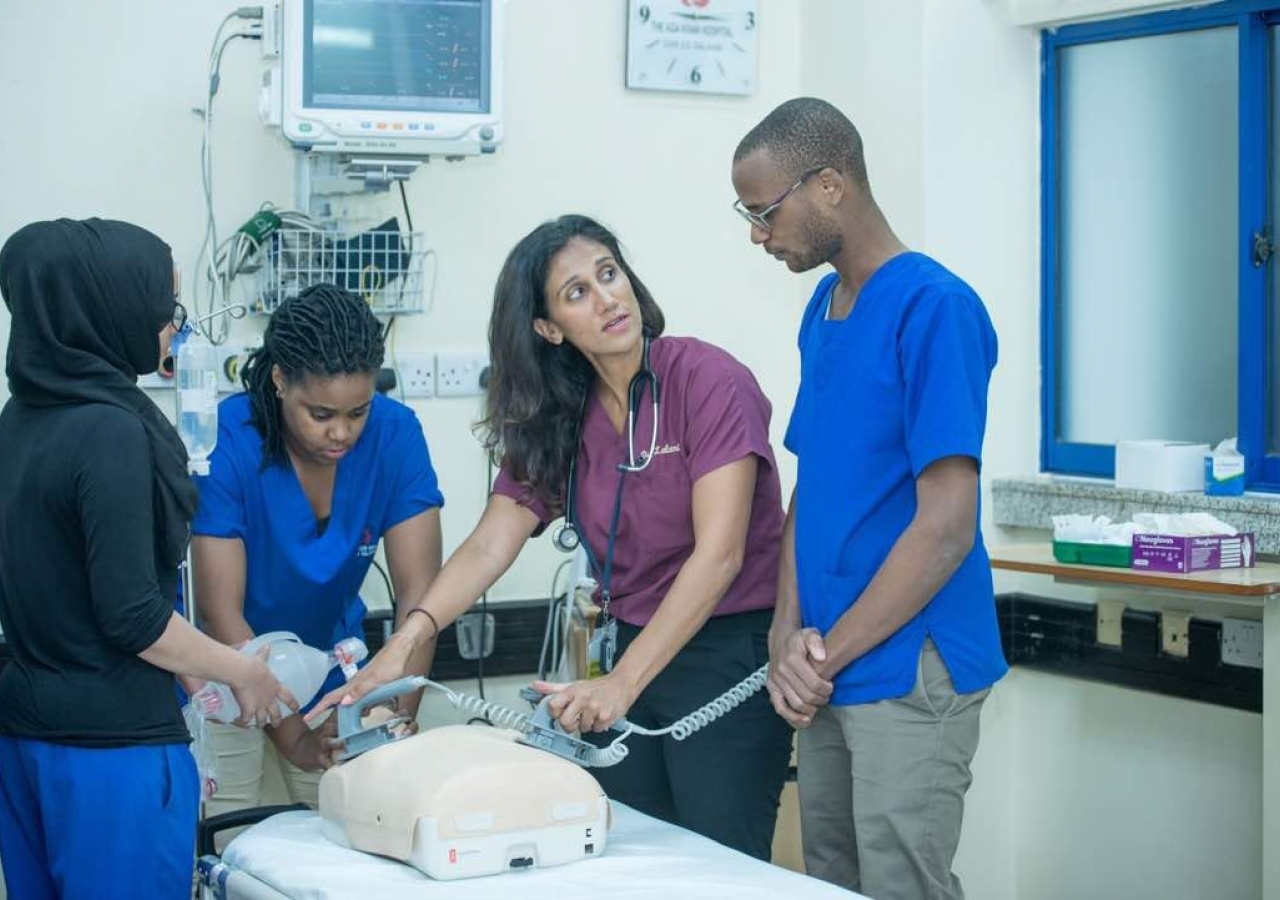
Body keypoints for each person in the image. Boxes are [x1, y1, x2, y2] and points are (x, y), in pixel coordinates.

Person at [311, 214, 793, 860]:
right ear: (548, 328)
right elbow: (489, 545)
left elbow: (721, 555)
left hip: (724, 653)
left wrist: (619, 685)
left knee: (716, 869)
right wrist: (403, 646)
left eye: (608, 274)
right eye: (576, 293)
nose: (607, 299)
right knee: (626, 860)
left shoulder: (706, 381)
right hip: (626, 653)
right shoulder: (563, 416)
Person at [730, 98, 1007, 900]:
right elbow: (812, 487)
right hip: (827, 660)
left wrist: (827, 653)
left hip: (909, 662)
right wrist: (787, 634)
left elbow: (947, 527)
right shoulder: (824, 308)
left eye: (764, 211)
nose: (758, 234)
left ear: (828, 184)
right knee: (833, 882)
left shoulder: (935, 308)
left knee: (901, 885)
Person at [0, 218, 292, 900]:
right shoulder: (110, 431)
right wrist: (238, 671)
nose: (171, 325)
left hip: (24, 739)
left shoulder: (19, 421)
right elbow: (131, 615)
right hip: (112, 757)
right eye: (163, 305)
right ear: (107, 306)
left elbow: (65, 585)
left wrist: (191, 674)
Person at [193, 282, 444, 815]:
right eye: (321, 413)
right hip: (225, 673)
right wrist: (296, 739)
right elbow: (220, 614)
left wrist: (391, 715)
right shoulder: (226, 439)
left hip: (333, 674)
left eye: (358, 411)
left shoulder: (396, 436)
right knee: (233, 845)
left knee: (351, 838)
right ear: (281, 381)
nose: (342, 433)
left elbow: (420, 601)